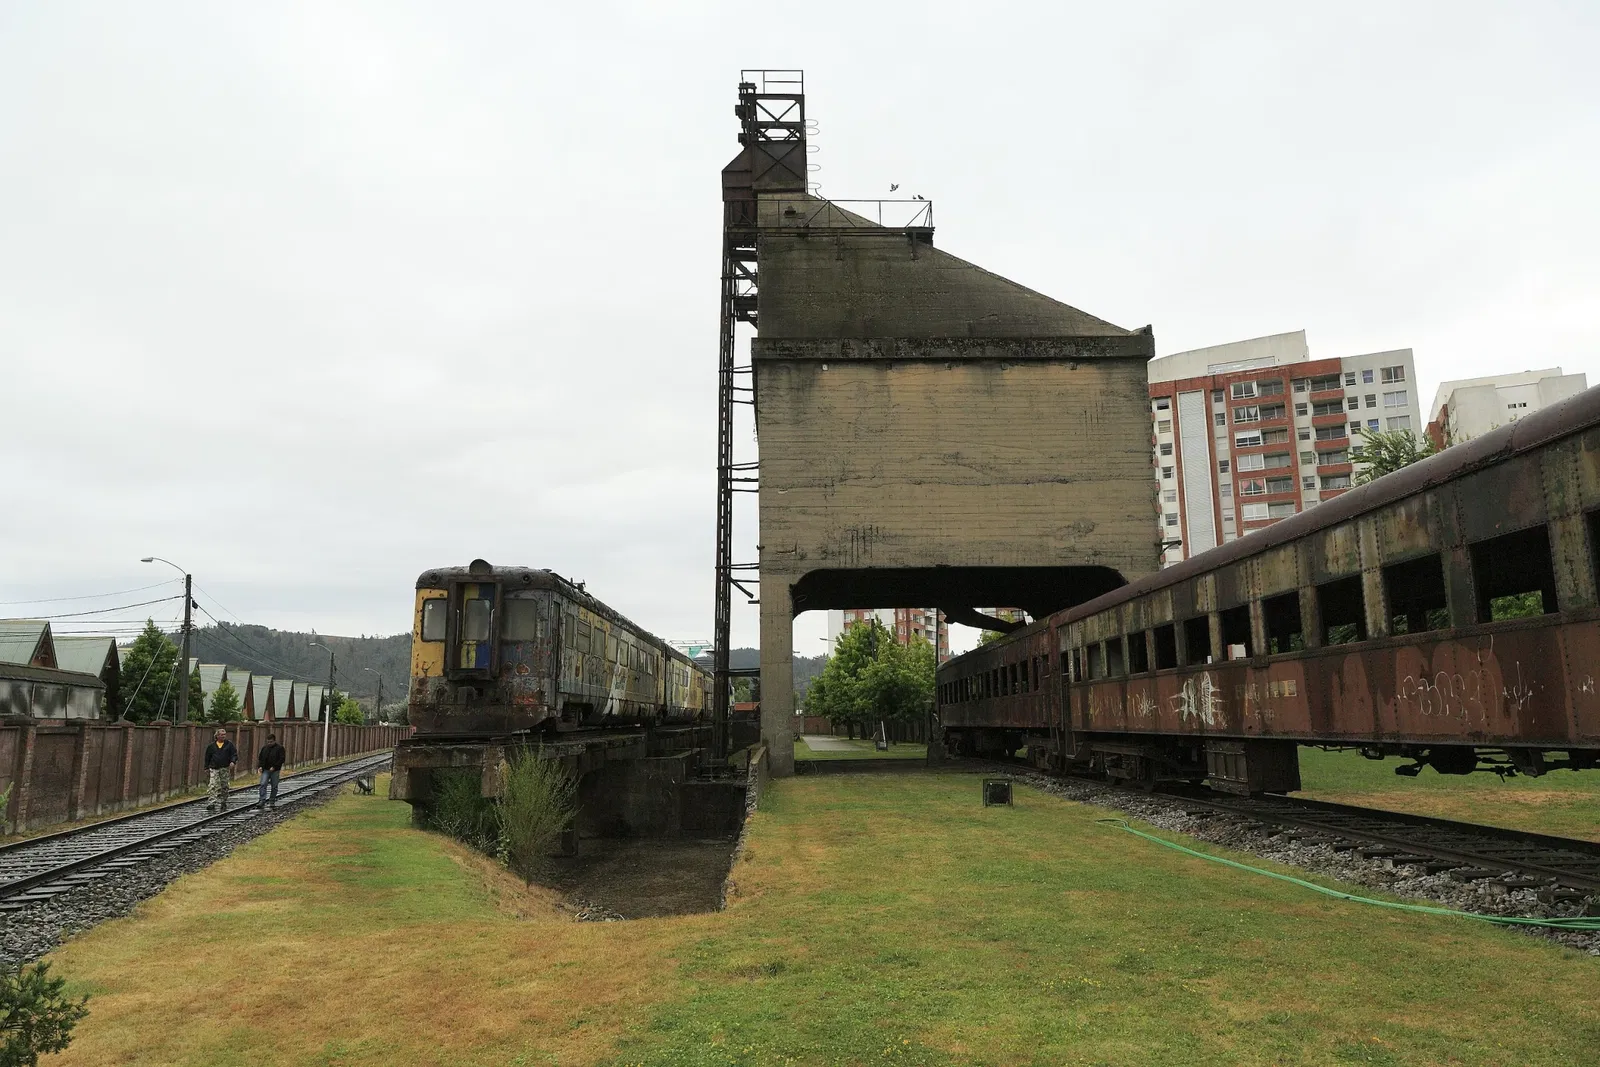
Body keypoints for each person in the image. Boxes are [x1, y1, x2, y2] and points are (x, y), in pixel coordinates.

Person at [204, 728, 238, 812]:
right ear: (217, 736)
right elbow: (207, 757)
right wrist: (206, 767)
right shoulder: (211, 746)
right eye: (222, 735)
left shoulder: (229, 744)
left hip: (224, 767)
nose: (223, 736)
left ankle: (224, 800)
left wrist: (233, 761)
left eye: (224, 734)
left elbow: (234, 754)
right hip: (214, 767)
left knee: (225, 785)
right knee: (213, 785)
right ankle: (211, 802)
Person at [257, 732, 286, 810]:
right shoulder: (264, 748)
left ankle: (272, 800)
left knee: (274, 786)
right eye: (268, 742)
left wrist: (275, 766)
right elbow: (261, 758)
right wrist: (260, 766)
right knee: (263, 784)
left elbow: (282, 759)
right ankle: (262, 800)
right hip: (265, 769)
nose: (269, 743)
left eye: (271, 742)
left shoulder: (280, 748)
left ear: (274, 741)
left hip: (275, 770)